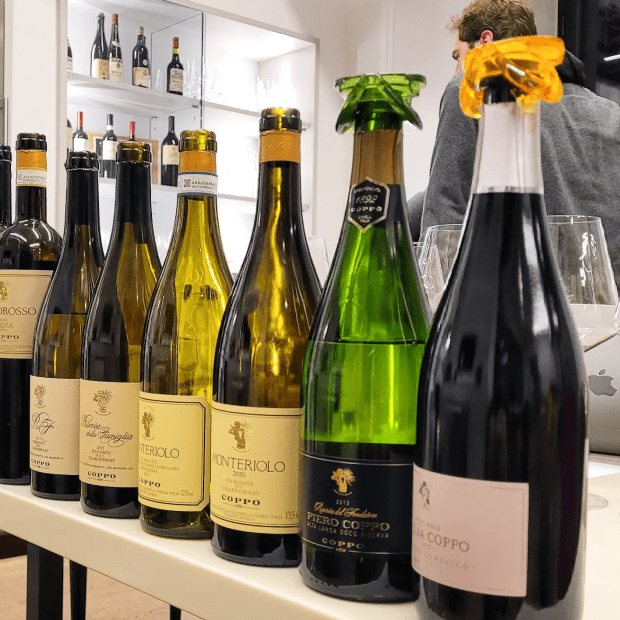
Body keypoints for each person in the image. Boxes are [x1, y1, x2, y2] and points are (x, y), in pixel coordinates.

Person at [414, 0, 620, 289]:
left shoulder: (472, 87)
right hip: (604, 308)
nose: (456, 69)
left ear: (485, 41)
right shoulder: (612, 115)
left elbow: (444, 226)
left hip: (516, 303)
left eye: (458, 56)